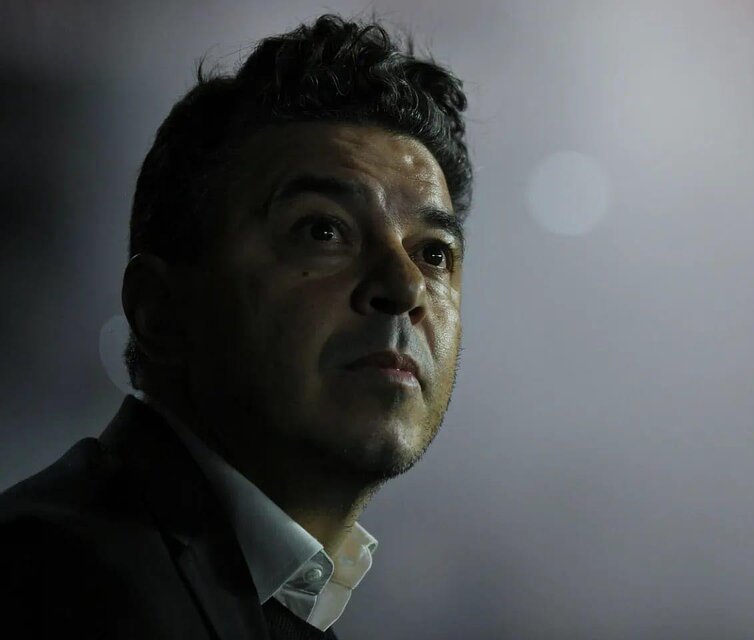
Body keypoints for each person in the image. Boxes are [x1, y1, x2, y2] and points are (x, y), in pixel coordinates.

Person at [0, 13, 472, 639]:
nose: (405, 287)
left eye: (433, 252)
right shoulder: (55, 582)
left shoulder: (269, 596)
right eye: (322, 230)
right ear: (161, 311)